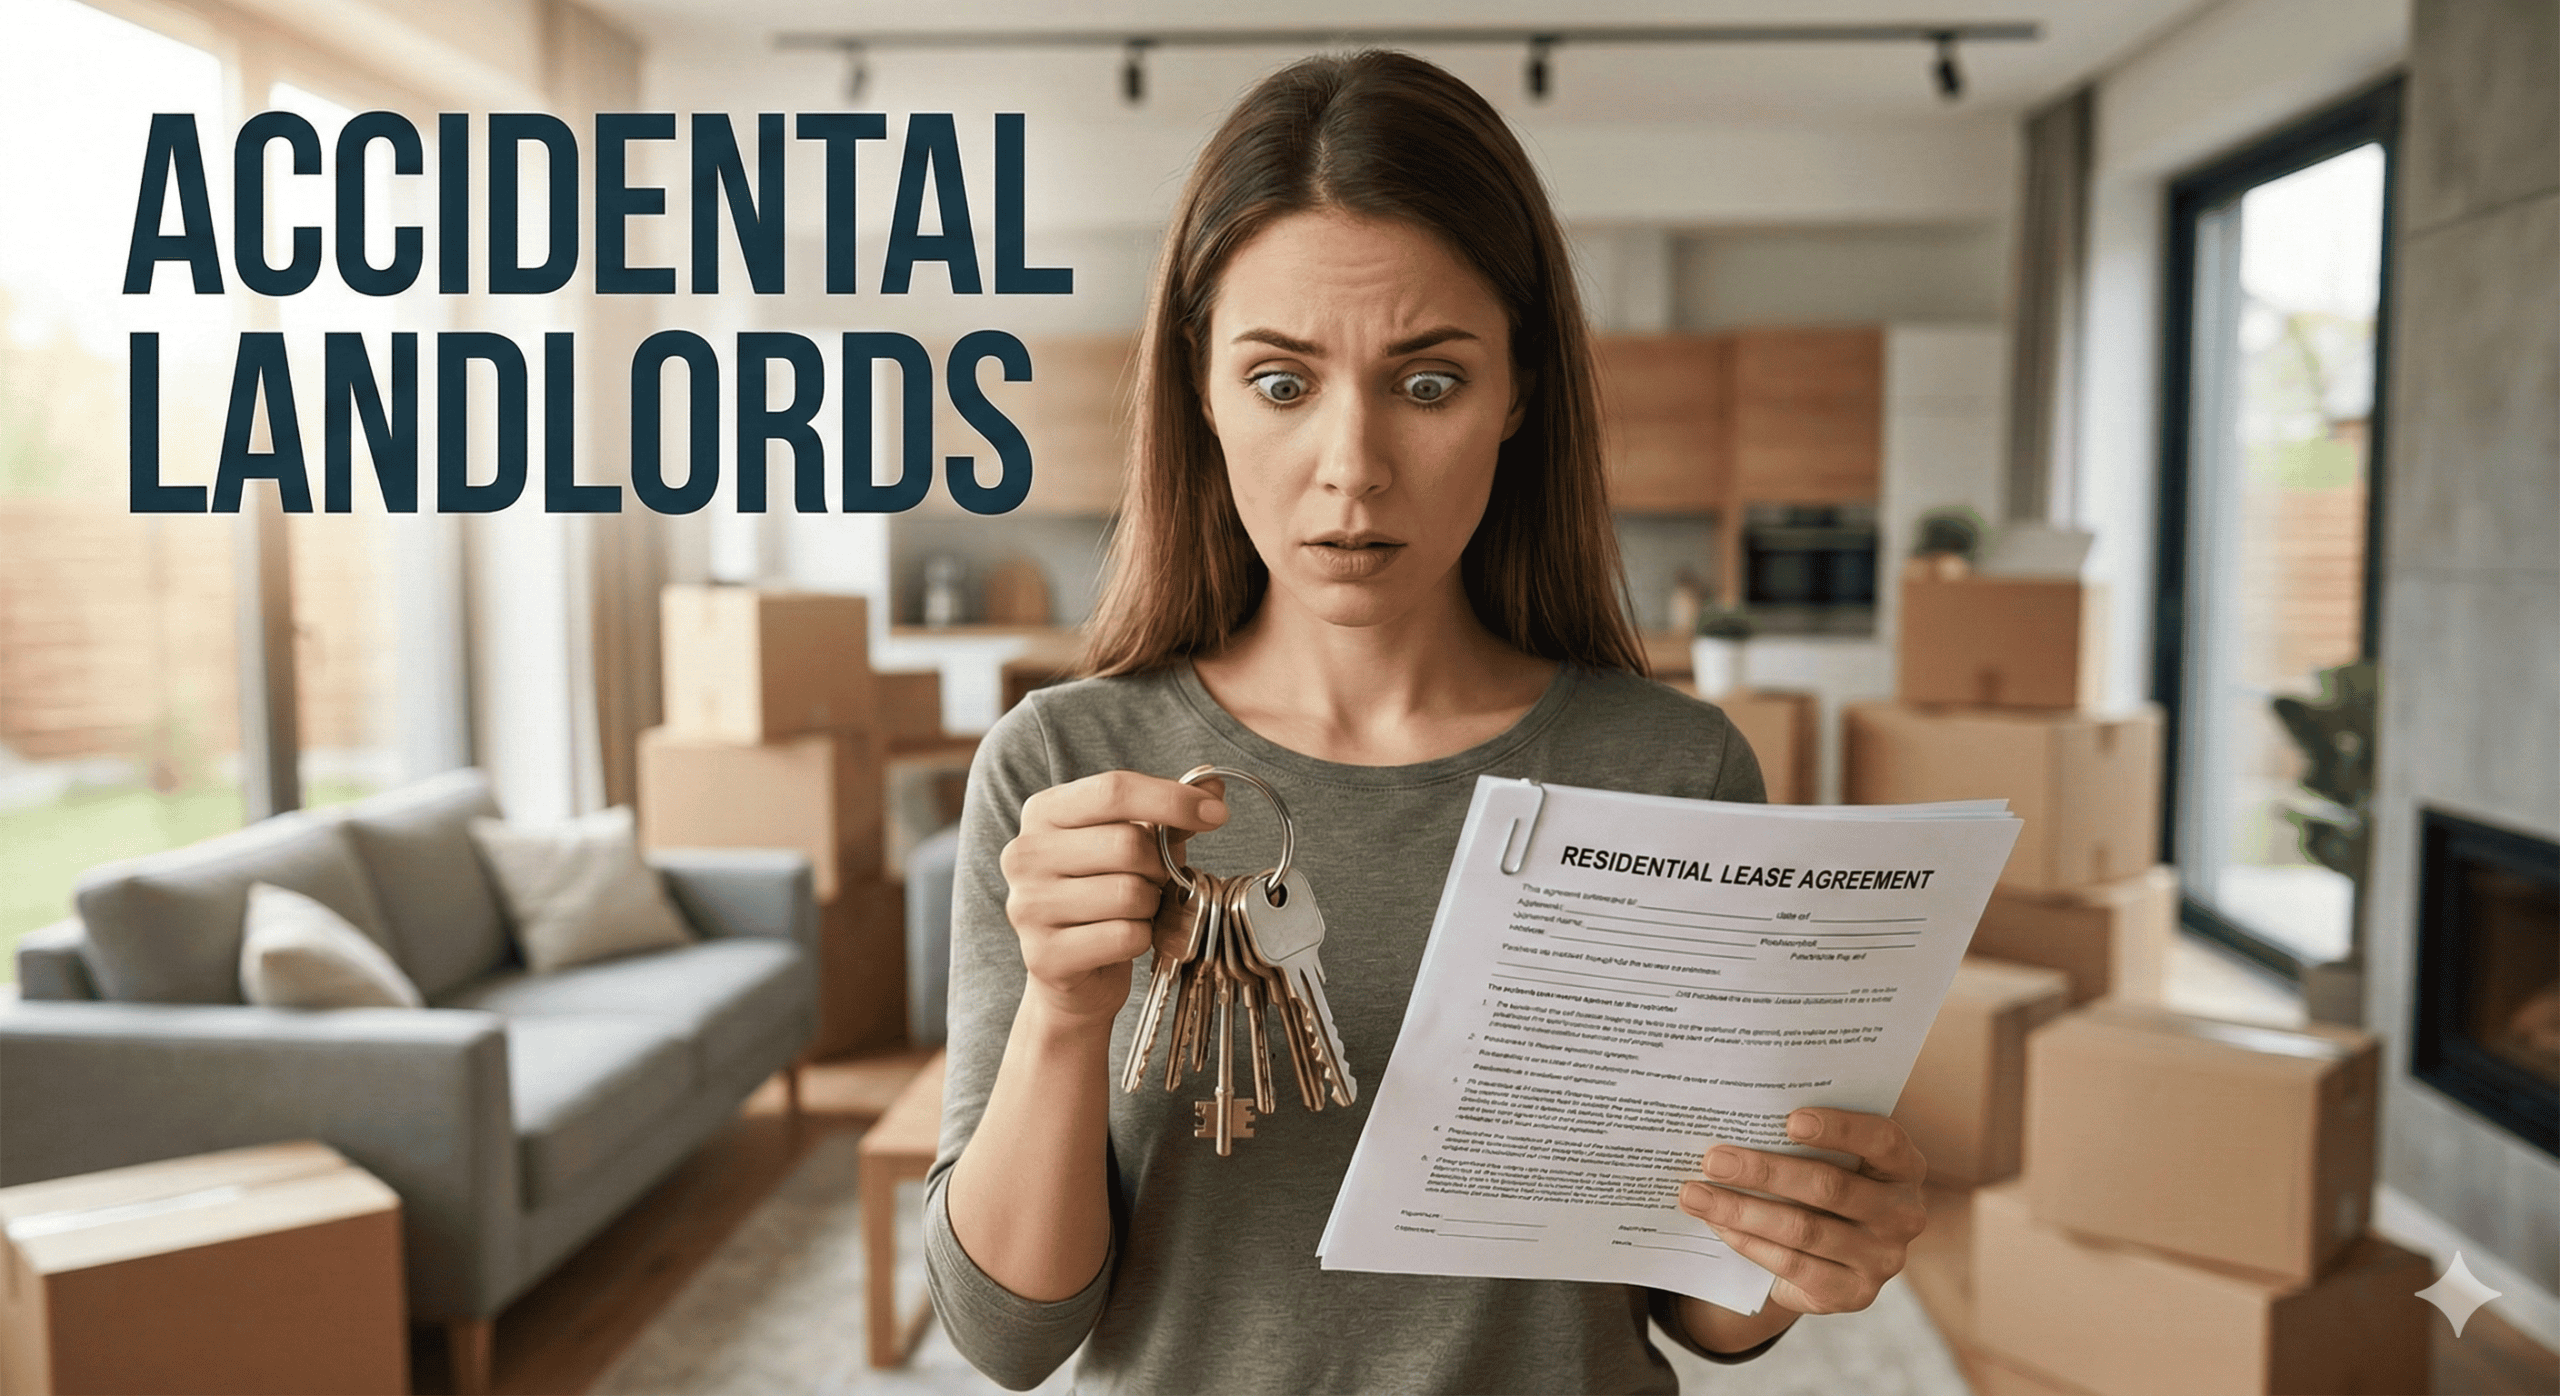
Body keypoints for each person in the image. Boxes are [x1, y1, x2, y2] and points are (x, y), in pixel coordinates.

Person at [923, 49, 1928, 1394]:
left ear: (1519, 391)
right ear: (1202, 390)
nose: (1353, 467)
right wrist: (1062, 1010)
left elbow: (1704, 1309)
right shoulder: (1059, 769)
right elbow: (1006, 1341)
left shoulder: (1672, 769)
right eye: (1282, 383)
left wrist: (1806, 1247)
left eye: (1429, 382)